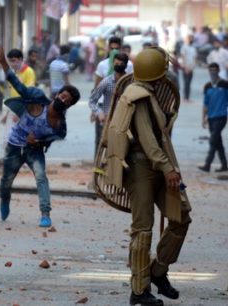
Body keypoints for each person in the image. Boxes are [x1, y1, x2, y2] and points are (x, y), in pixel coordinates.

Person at [106, 47, 191, 305]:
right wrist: (167, 169)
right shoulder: (138, 96)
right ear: (157, 75)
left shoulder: (150, 93)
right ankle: (139, 290)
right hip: (142, 169)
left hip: (157, 166)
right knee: (143, 230)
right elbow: (147, 139)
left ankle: (158, 271)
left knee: (181, 218)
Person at [0, 45, 80, 228]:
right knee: (6, 181)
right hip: (15, 145)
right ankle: (4, 200)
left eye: (67, 101)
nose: (63, 100)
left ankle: (45, 213)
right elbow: (19, 86)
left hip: (34, 150)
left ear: (69, 106)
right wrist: (3, 63)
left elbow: (56, 137)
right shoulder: (37, 98)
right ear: (57, 94)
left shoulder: (59, 126)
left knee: (41, 177)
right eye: (63, 96)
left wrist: (39, 141)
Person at [89, 52, 129, 156]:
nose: (118, 66)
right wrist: (99, 112)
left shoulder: (131, 82)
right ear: (112, 64)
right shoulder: (106, 82)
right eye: (116, 63)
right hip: (109, 121)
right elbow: (92, 100)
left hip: (127, 121)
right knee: (106, 150)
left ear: (126, 65)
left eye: (121, 64)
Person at [1, 49, 36, 146]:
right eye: (10, 61)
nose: (12, 64)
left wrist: (20, 112)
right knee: (8, 139)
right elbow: (12, 94)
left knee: (21, 139)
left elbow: (29, 94)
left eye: (14, 61)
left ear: (21, 59)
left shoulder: (29, 72)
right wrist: (7, 114)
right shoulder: (13, 73)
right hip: (13, 109)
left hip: (23, 110)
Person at [198, 62, 228, 172]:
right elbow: (205, 104)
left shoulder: (225, 84)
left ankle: (207, 164)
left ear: (219, 70)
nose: (213, 72)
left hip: (221, 117)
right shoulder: (207, 86)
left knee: (213, 140)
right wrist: (203, 118)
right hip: (211, 118)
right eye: (211, 70)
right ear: (208, 71)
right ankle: (224, 164)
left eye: (215, 70)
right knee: (217, 142)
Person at [180, 35, 197, 102]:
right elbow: (183, 57)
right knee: (186, 83)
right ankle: (185, 97)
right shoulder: (184, 47)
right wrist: (186, 68)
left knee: (189, 83)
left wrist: (192, 67)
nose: (191, 40)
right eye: (190, 39)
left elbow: (194, 58)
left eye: (192, 38)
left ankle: (188, 97)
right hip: (185, 67)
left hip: (191, 68)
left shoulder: (193, 48)